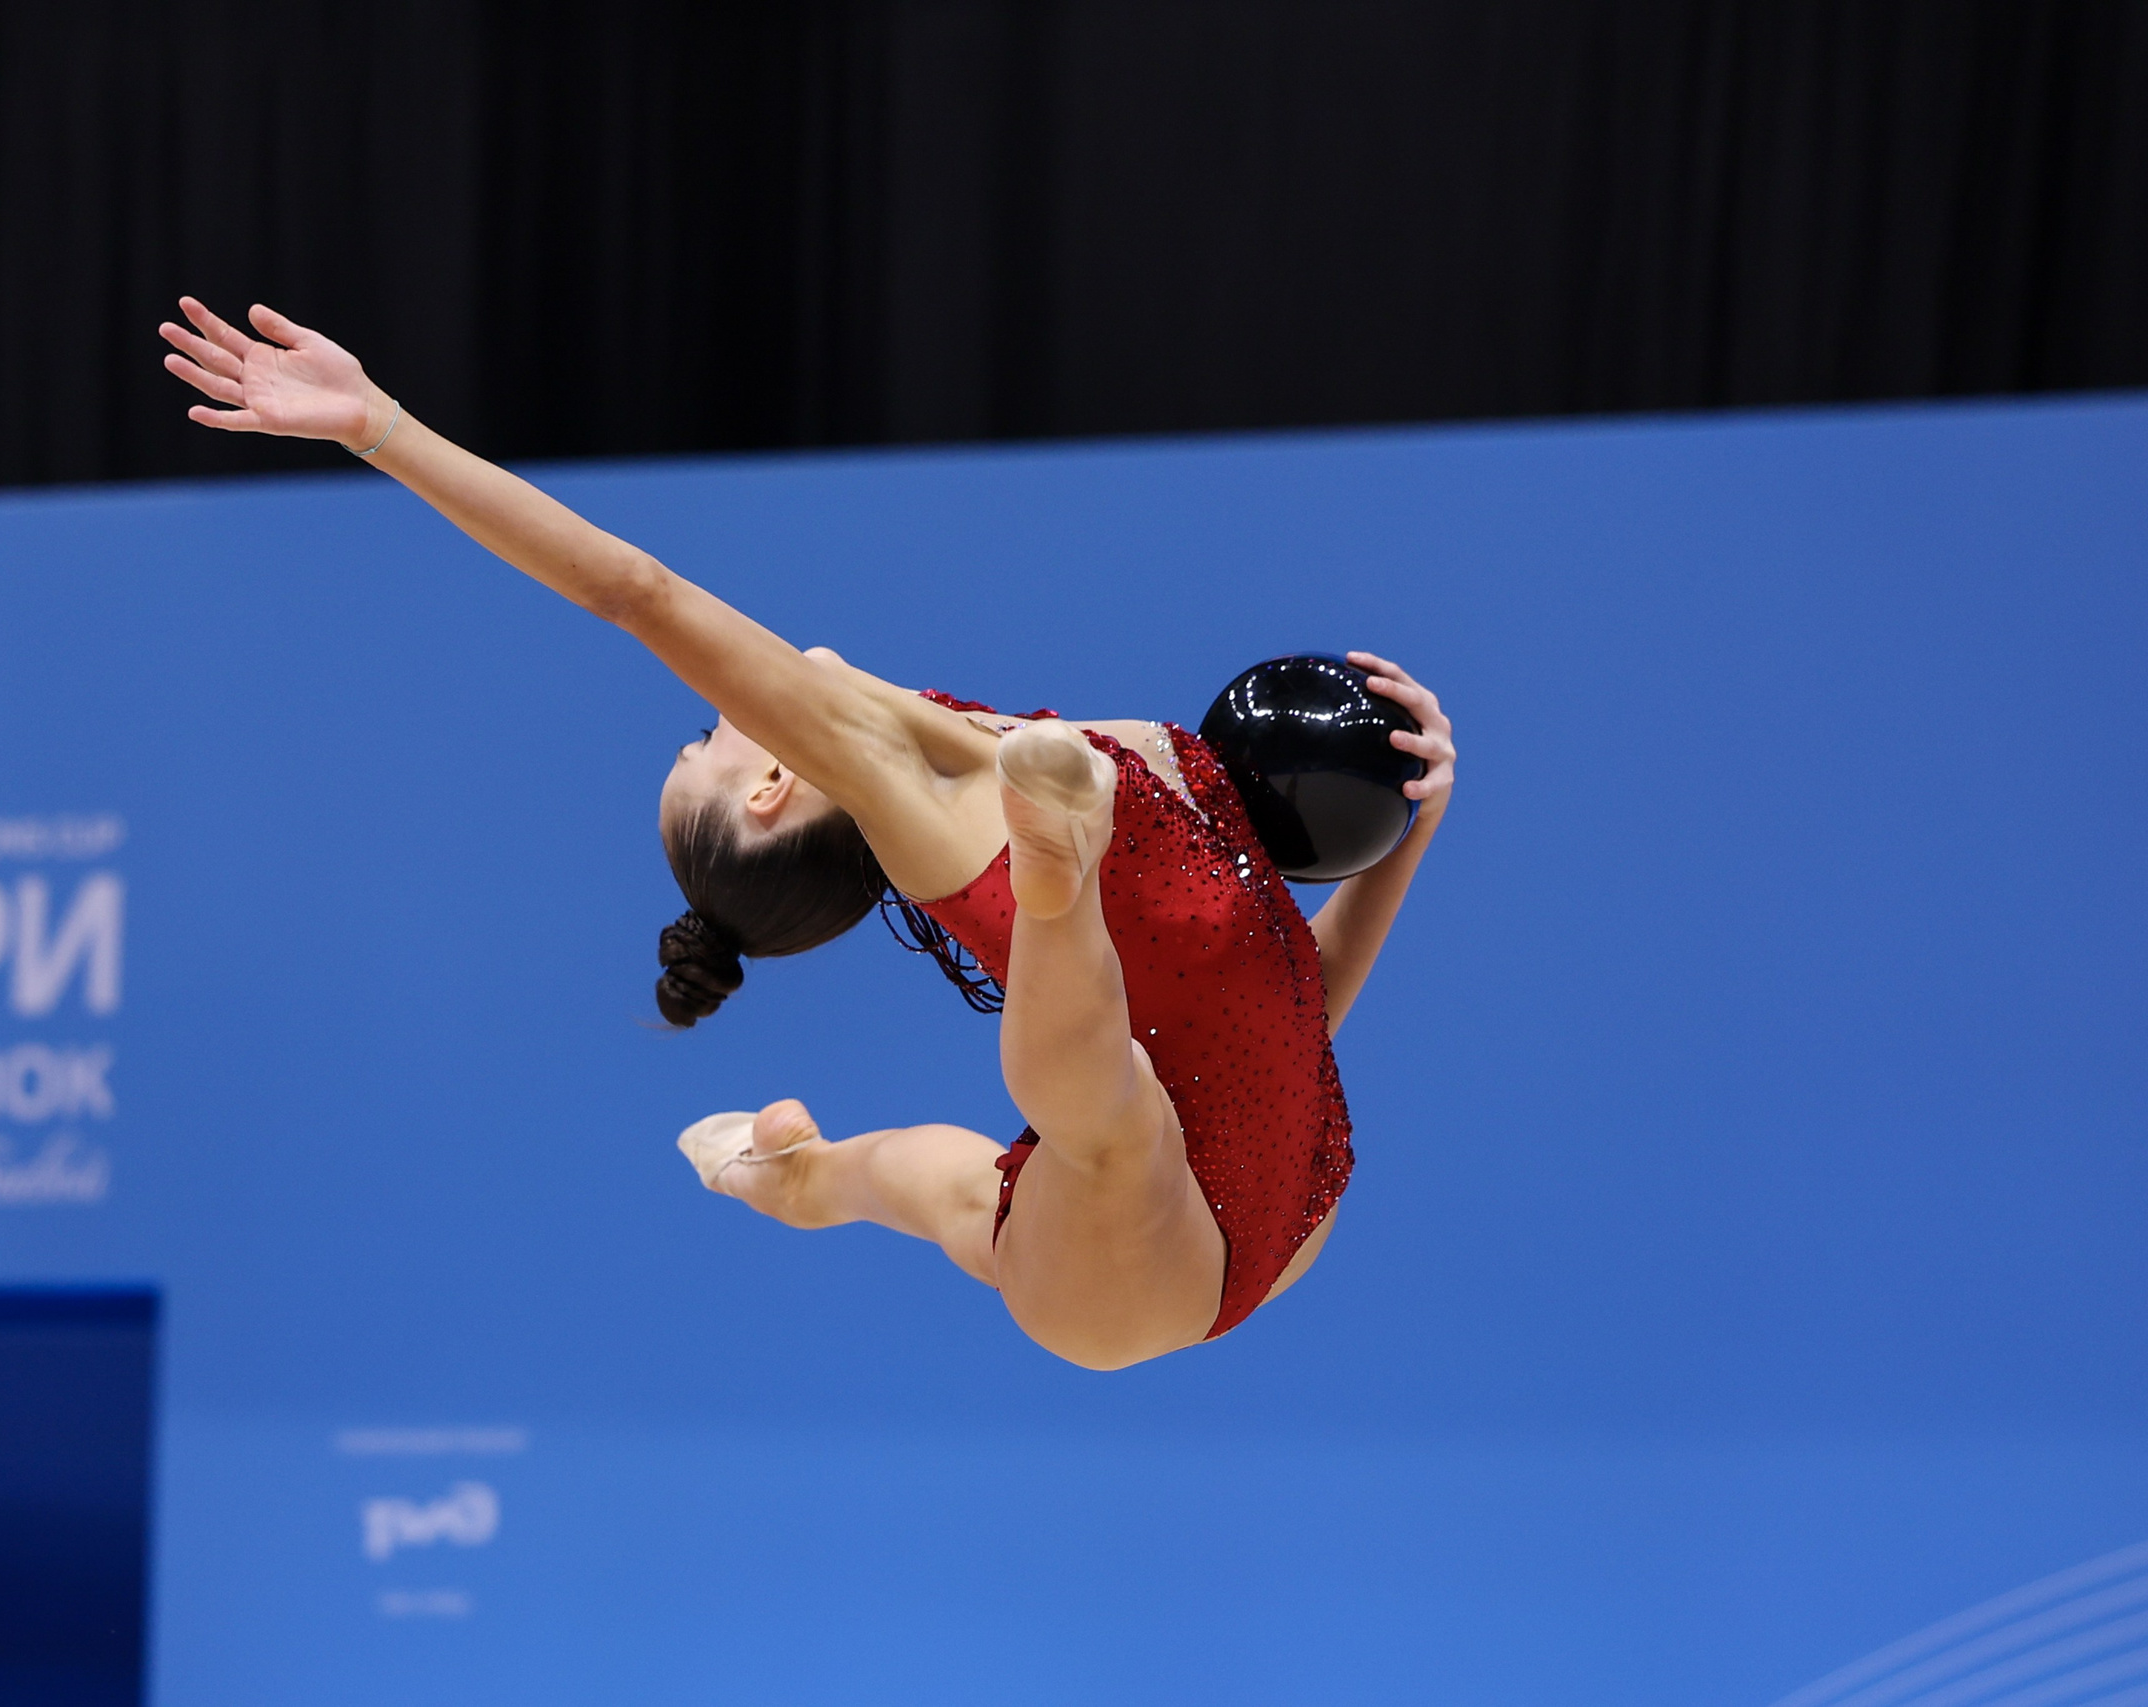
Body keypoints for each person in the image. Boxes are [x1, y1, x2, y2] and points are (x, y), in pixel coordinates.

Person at [159, 297, 1456, 1369]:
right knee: (1102, 1117)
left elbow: (1292, 1008)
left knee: (930, 1183)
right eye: (701, 745)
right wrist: (382, 426)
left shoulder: (966, 738)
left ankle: (783, 1176)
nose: (708, 723)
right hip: (1145, 1244)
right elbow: (634, 591)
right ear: (772, 787)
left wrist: (1410, 827)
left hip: (1267, 1197)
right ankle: (1055, 893)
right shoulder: (897, 780)